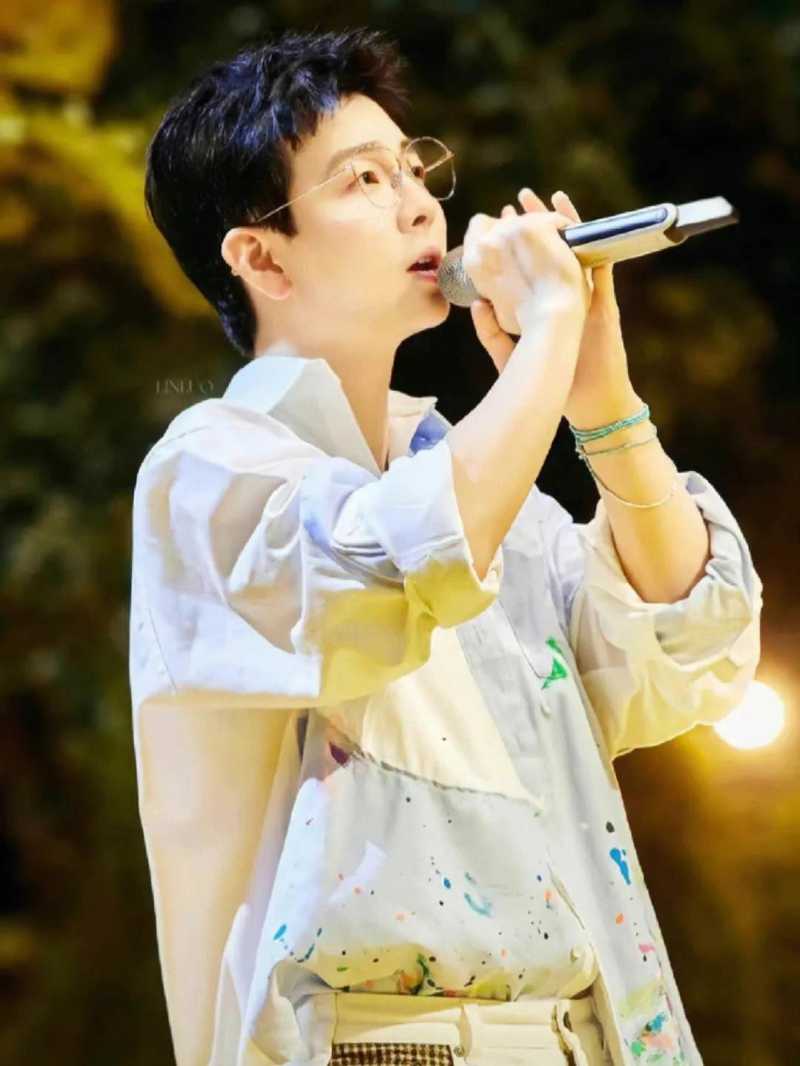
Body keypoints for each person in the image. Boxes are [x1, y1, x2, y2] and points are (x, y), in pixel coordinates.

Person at [131, 25, 763, 1066]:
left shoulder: (472, 484)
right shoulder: (212, 469)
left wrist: (601, 398)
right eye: (363, 180)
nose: (420, 205)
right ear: (261, 257)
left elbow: (687, 642)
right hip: (380, 1044)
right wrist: (544, 337)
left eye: (413, 169)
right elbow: (392, 569)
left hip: (580, 1037)